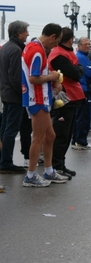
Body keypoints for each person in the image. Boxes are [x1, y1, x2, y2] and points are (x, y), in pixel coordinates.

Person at [21, 23, 68, 186]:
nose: (56, 45)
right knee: (39, 138)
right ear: (52, 36)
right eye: (57, 41)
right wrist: (52, 77)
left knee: (50, 136)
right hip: (37, 98)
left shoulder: (32, 46)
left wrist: (50, 77)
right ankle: (31, 175)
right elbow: (34, 78)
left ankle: (48, 171)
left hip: (38, 97)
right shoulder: (37, 51)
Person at [47, 27, 85, 178]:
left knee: (67, 133)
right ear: (70, 40)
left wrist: (78, 69)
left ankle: (60, 163)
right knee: (61, 133)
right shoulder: (59, 55)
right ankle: (56, 166)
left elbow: (78, 71)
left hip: (70, 96)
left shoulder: (64, 53)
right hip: (64, 97)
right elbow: (76, 74)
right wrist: (78, 69)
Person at [0, 21, 29, 174]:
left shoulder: (5, 48)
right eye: (26, 31)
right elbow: (15, 76)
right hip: (14, 96)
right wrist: (24, 92)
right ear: (19, 33)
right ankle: (6, 162)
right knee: (11, 130)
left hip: (5, 93)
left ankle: (3, 159)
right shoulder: (17, 50)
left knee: (4, 129)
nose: (28, 34)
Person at [71, 37, 91, 150]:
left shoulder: (84, 57)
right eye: (85, 44)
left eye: (89, 44)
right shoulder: (81, 57)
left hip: (85, 89)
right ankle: (81, 141)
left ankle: (77, 140)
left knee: (81, 116)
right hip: (84, 90)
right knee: (83, 117)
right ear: (79, 45)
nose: (87, 46)